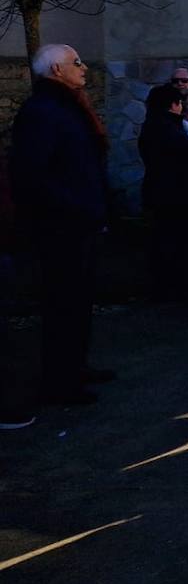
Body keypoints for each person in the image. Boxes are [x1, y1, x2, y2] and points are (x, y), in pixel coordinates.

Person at [11, 44, 111, 405]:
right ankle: (60, 380)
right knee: (62, 305)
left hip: (79, 223)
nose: (84, 69)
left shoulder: (67, 107)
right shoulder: (42, 112)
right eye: (77, 63)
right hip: (60, 228)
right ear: (57, 69)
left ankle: (76, 367)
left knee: (79, 301)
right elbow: (31, 175)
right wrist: (77, 208)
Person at [139, 83, 188, 300]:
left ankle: (169, 283)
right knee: (175, 240)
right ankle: (175, 285)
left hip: (162, 190)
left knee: (166, 238)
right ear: (174, 104)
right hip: (176, 192)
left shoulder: (152, 125)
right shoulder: (168, 128)